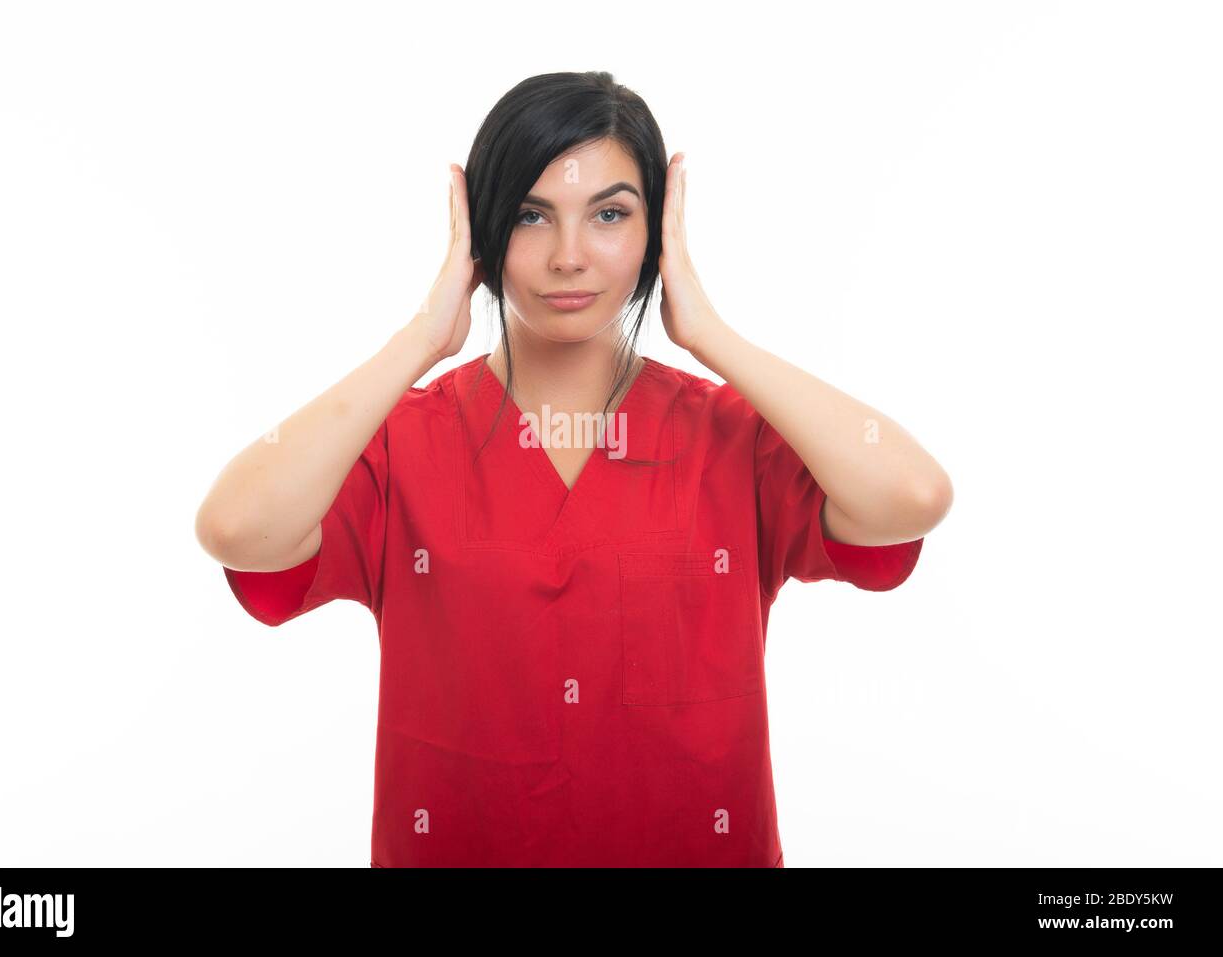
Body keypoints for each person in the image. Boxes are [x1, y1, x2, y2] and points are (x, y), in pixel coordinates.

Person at [194, 71, 953, 867]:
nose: (568, 256)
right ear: (482, 232)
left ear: (658, 231)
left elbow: (912, 494)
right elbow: (238, 527)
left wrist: (711, 334)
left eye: (610, 214)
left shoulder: (733, 437)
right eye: (529, 215)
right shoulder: (399, 445)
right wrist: (421, 337)